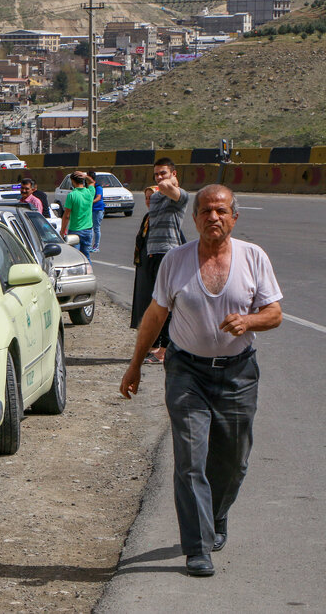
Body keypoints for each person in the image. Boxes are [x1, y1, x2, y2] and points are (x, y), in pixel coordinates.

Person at [119, 185, 282, 578]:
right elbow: (155, 316)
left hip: (238, 373)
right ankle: (197, 547)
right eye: (206, 211)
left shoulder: (253, 257)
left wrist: (249, 320)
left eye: (221, 211)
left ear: (234, 217)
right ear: (194, 219)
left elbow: (274, 313)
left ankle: (216, 514)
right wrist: (135, 364)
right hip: (186, 371)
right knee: (190, 460)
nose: (213, 217)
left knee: (234, 461)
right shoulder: (176, 261)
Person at [142, 158, 190, 363]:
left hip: (170, 253)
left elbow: (167, 189)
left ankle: (166, 350)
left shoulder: (180, 196)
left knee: (168, 304)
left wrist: (162, 185)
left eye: (164, 173)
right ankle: (158, 345)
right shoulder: (155, 199)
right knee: (157, 302)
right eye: (156, 174)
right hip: (153, 253)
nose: (160, 178)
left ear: (174, 174)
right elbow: (153, 193)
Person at [130, 186, 157, 330]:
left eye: (152, 198)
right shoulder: (148, 217)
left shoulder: (162, 218)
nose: (148, 201)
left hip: (153, 267)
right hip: (143, 266)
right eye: (146, 198)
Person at [60, 171, 94, 258]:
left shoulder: (71, 195)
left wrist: (62, 230)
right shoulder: (90, 192)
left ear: (73, 181)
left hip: (75, 230)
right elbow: (92, 182)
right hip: (88, 230)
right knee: (86, 256)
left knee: (75, 257)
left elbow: (67, 215)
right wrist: (85, 176)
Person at [88, 169, 105, 253]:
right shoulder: (89, 187)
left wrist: (90, 202)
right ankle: (89, 245)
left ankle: (96, 246)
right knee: (90, 228)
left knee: (96, 228)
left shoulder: (98, 187)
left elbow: (98, 197)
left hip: (97, 210)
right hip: (91, 210)